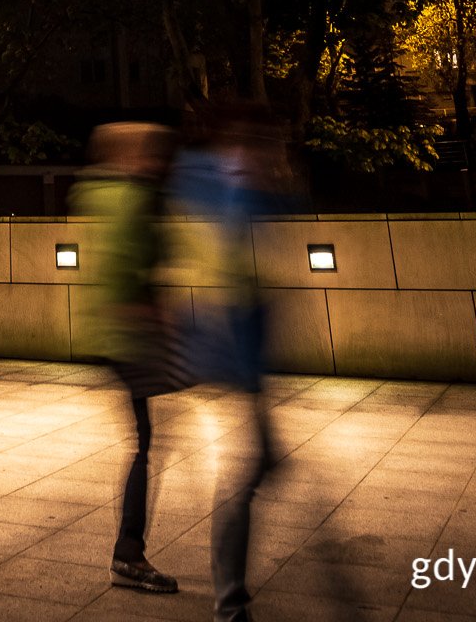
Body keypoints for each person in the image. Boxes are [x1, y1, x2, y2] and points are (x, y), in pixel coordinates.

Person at [172, 103, 289, 622]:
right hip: (227, 356)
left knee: (250, 467)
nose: (274, 157)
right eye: (267, 147)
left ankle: (230, 593)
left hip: (233, 355)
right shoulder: (229, 192)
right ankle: (228, 599)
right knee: (243, 473)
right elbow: (225, 280)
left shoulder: (216, 186)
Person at [77, 121, 180, 597]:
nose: (159, 162)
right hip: (129, 336)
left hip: (109, 333)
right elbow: (126, 265)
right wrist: (150, 318)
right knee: (144, 441)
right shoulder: (132, 199)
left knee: (145, 437)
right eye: (152, 153)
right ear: (132, 155)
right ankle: (129, 553)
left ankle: (129, 549)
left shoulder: (99, 194)